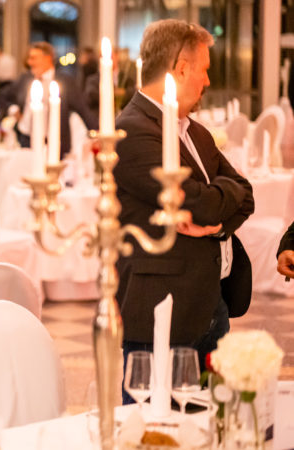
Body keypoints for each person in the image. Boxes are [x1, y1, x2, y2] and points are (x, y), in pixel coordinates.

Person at [114, 19, 254, 385]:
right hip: (162, 308)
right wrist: (218, 203)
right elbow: (199, 204)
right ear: (180, 68)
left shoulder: (195, 132)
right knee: (154, 417)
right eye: (204, 69)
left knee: (210, 414)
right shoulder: (131, 131)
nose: (207, 81)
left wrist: (218, 225)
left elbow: (246, 194)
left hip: (211, 302)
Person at [0, 41, 97, 158]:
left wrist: (97, 132)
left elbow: (83, 109)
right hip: (26, 139)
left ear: (48, 58)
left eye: (33, 58)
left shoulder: (65, 82)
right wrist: (13, 109)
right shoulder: (25, 79)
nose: (29, 62)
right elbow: (2, 96)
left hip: (55, 141)